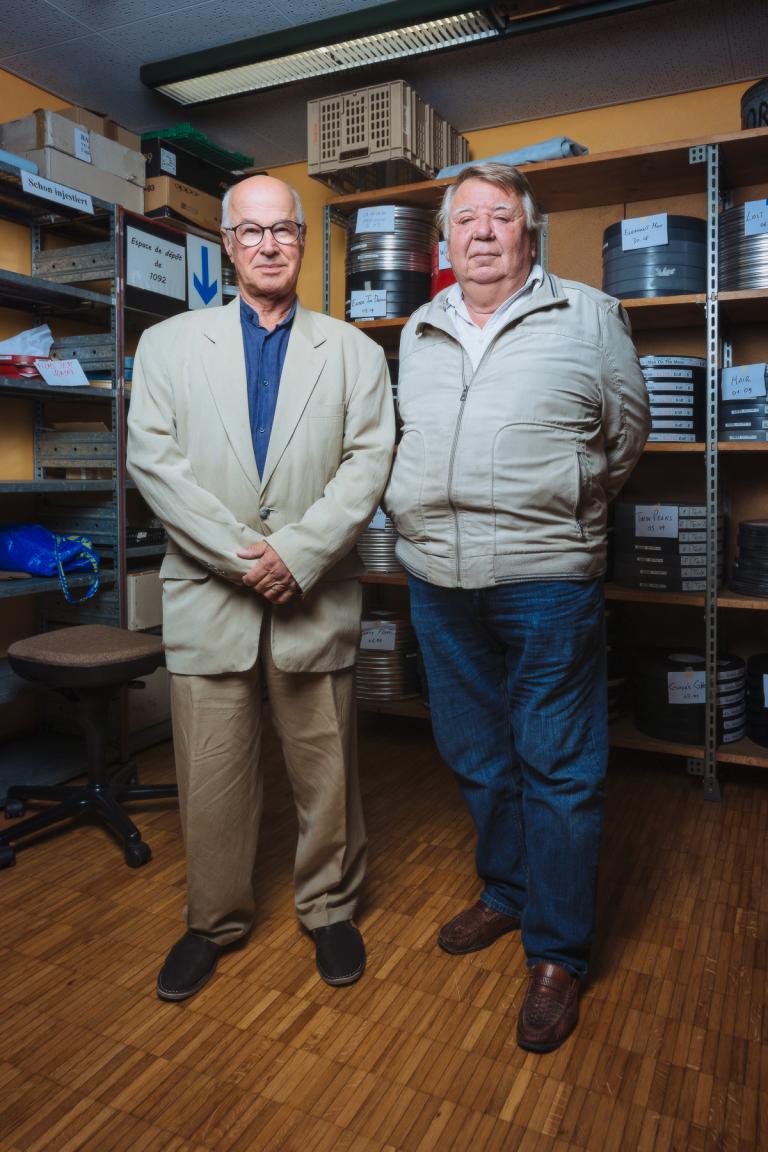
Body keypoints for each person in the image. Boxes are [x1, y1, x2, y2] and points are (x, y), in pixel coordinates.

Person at [384, 163, 650, 1052]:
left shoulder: (589, 316)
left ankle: (559, 952)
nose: (484, 232)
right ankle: (506, 892)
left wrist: (567, 504)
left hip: (545, 577)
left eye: (501, 217)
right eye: (466, 220)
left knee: (559, 764)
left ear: (528, 233)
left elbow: (623, 439)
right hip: (435, 576)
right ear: (445, 242)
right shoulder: (419, 328)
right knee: (474, 753)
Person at [127, 174, 395, 1001]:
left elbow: (368, 463)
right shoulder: (168, 346)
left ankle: (330, 907)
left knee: (327, 771)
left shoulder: (352, 350)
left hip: (312, 597)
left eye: (284, 231)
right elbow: (154, 464)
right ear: (227, 245)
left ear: (305, 242)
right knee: (210, 774)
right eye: (251, 232)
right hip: (212, 598)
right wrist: (249, 558)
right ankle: (213, 920)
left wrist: (300, 554)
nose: (269, 245)